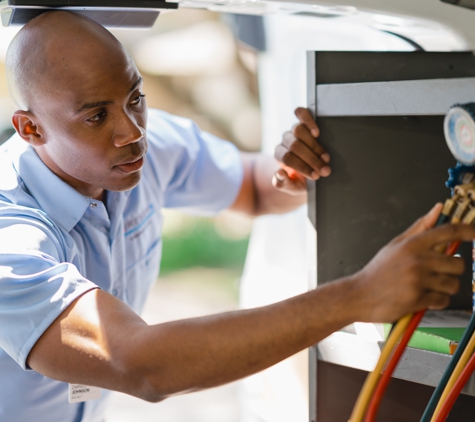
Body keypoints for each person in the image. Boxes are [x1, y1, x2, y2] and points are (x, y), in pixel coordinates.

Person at [0, 11, 473, 422]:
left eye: (136, 97)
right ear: (31, 127)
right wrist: (360, 295)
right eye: (96, 116)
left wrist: (295, 171)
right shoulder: (10, 235)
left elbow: (252, 188)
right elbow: (141, 364)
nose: (132, 131)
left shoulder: (147, 145)